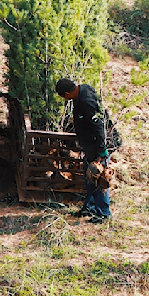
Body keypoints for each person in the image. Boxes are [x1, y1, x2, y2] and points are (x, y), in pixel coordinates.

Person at [55, 77, 111, 223]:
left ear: (67, 94)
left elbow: (98, 126)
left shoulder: (86, 102)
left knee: (99, 177)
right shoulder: (84, 89)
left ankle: (103, 214)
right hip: (91, 144)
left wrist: (102, 150)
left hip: (98, 144)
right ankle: (90, 207)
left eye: (64, 97)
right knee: (89, 177)